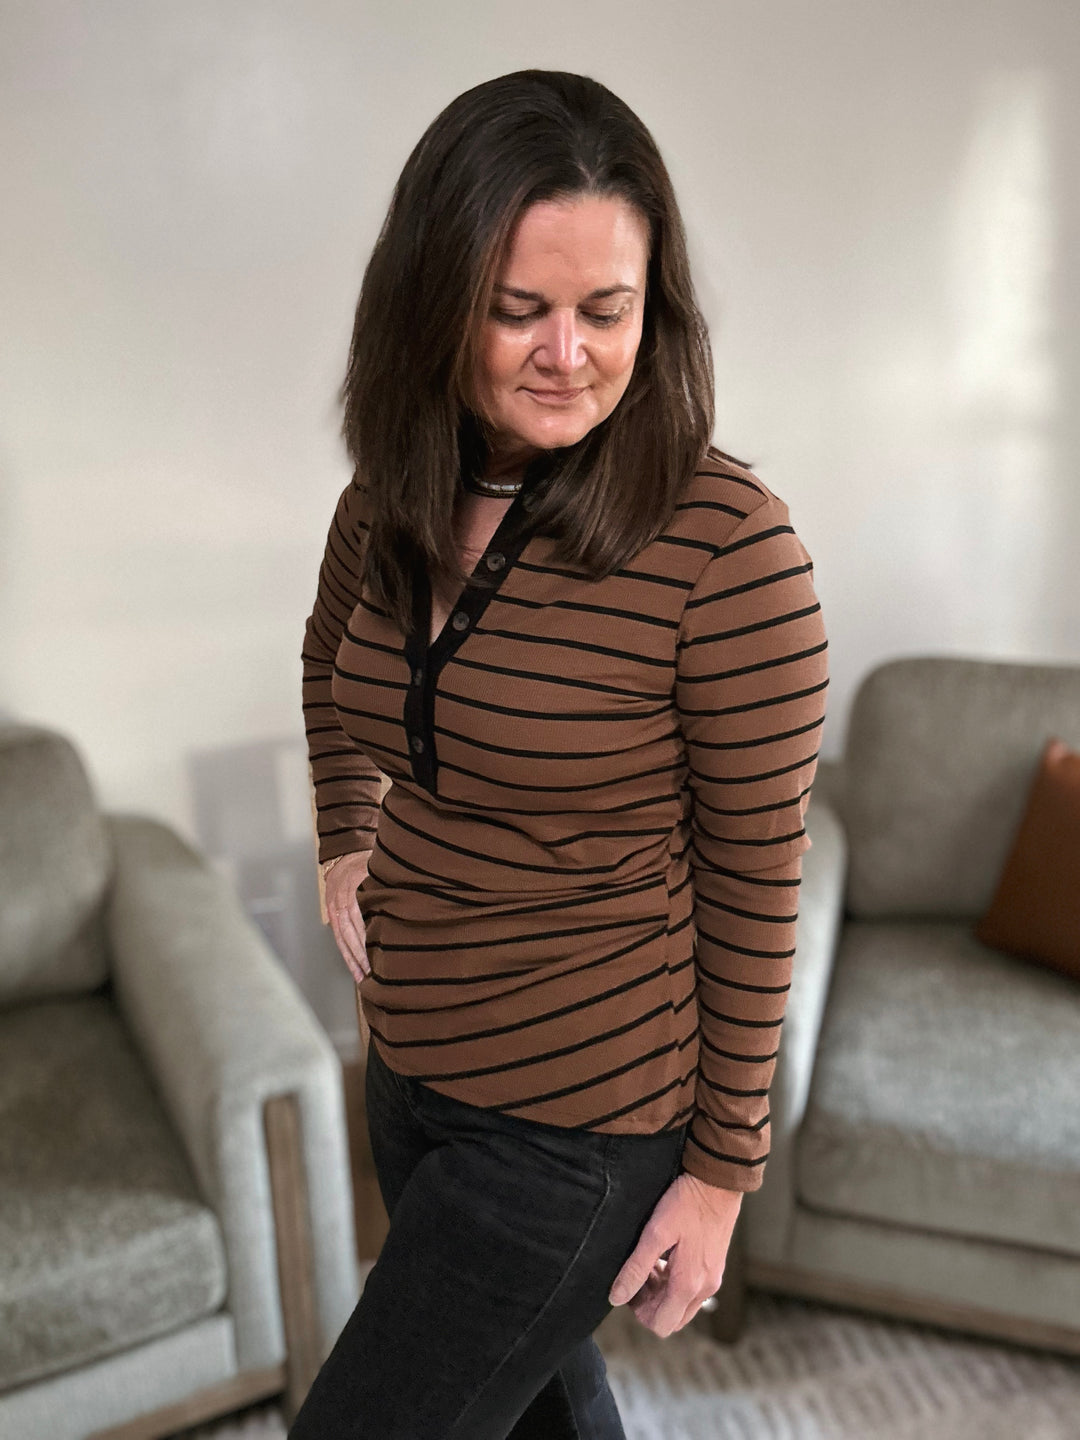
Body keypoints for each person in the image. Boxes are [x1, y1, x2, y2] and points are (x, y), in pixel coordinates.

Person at [292, 68, 828, 1440]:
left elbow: (761, 885)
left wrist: (718, 1182)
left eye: (609, 310)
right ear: (433, 303)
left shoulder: (728, 551)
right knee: (529, 1410)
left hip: (580, 1127)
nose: (569, 354)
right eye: (518, 310)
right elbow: (329, 673)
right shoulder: (395, 487)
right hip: (408, 1068)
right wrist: (344, 835)